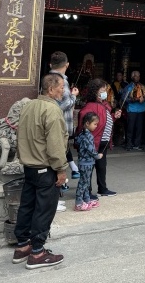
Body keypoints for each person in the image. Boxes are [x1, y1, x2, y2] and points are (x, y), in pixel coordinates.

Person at [12, 73, 68, 269]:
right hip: (46, 168)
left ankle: (22, 246)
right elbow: (55, 145)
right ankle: (37, 252)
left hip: (29, 167)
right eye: (61, 87)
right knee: (43, 210)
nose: (63, 90)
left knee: (27, 206)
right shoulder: (52, 110)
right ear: (51, 89)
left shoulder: (29, 106)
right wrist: (61, 169)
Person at [48, 51, 80, 211]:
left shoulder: (49, 78)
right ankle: (54, 198)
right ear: (66, 65)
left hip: (54, 126)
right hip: (60, 127)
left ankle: (56, 196)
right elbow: (62, 104)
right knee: (58, 163)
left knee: (57, 161)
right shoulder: (61, 81)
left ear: (50, 65)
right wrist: (74, 96)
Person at [77, 79, 119, 197]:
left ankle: (102, 188)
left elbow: (106, 121)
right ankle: (87, 191)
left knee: (101, 166)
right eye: (102, 90)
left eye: (105, 90)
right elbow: (85, 122)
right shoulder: (89, 107)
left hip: (103, 141)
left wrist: (113, 116)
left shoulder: (105, 105)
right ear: (95, 92)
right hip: (93, 141)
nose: (105, 93)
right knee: (88, 167)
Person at [74, 112, 103, 211]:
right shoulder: (88, 136)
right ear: (87, 123)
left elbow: (77, 142)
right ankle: (78, 203)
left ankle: (86, 200)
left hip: (84, 162)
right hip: (87, 163)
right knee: (83, 183)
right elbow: (90, 149)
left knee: (86, 183)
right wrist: (97, 156)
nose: (96, 126)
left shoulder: (82, 134)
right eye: (94, 124)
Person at [122, 71, 145, 151]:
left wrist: (144, 99)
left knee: (139, 128)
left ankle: (137, 144)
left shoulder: (142, 86)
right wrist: (133, 99)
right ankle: (129, 144)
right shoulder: (128, 87)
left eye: (138, 76)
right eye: (135, 76)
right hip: (132, 110)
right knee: (130, 128)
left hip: (141, 110)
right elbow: (123, 98)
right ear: (132, 77)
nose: (137, 77)